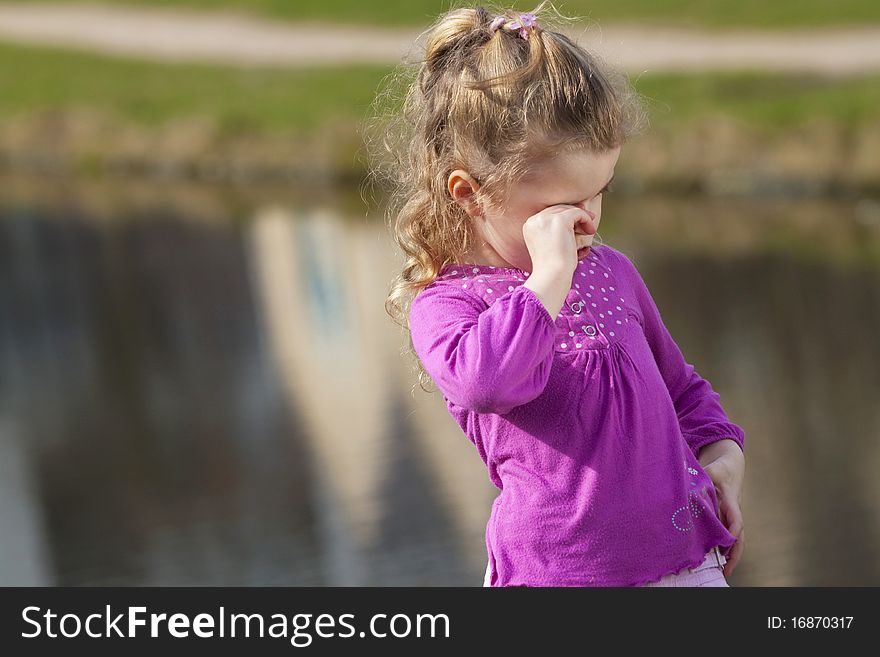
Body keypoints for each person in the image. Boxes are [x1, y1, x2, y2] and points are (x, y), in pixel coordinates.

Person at [370, 2, 746, 587]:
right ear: (468, 193)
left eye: (599, 193)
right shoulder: (447, 307)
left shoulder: (612, 272)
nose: (589, 221)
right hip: (562, 577)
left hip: (685, 565)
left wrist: (722, 458)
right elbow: (486, 383)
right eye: (559, 207)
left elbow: (682, 390)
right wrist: (546, 280)